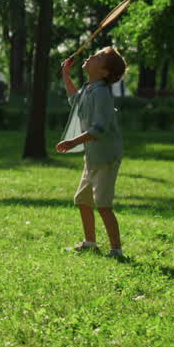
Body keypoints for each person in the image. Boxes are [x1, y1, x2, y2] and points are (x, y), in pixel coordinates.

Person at [56, 46, 127, 258]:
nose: (92, 56)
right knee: (83, 200)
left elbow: (99, 129)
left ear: (104, 72)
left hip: (105, 157)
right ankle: (90, 243)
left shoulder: (102, 94)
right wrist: (65, 75)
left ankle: (117, 250)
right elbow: (74, 101)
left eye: (99, 57)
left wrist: (72, 142)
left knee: (103, 205)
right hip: (93, 157)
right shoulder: (89, 89)